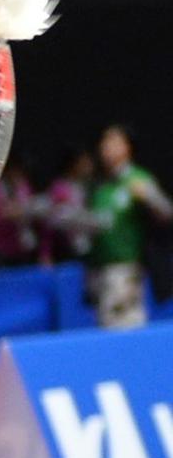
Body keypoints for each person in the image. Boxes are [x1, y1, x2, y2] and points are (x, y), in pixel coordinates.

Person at [86, 124, 173, 328]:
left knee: (126, 329)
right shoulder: (101, 187)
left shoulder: (137, 179)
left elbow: (166, 212)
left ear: (128, 147)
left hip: (127, 271)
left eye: (114, 141)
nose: (106, 147)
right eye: (104, 142)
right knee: (106, 328)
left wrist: (150, 197)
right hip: (100, 271)